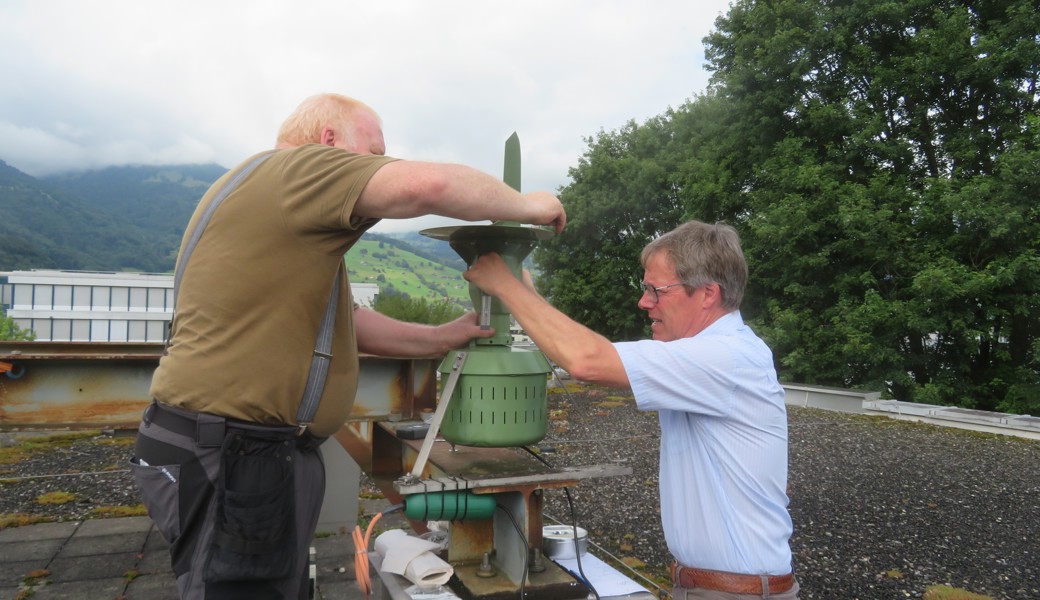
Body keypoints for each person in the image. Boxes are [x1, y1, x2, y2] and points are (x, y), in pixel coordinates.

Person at [131, 92, 566, 599]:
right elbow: (429, 185)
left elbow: (347, 323)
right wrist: (528, 205)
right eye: (375, 152)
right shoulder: (297, 169)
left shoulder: (277, 204)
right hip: (233, 451)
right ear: (329, 141)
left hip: (243, 448)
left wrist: (440, 337)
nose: (382, 164)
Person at [463, 220, 798, 599]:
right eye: (646, 289)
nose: (644, 302)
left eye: (657, 290)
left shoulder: (724, 357)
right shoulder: (717, 355)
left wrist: (505, 286)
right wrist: (529, 296)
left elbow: (587, 361)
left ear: (707, 294)